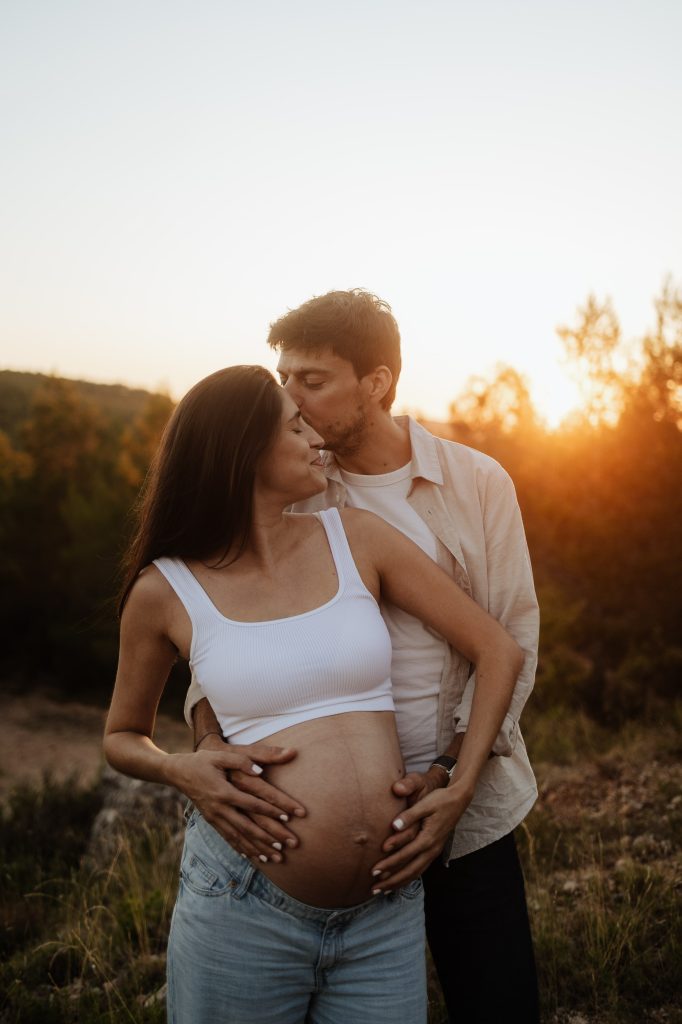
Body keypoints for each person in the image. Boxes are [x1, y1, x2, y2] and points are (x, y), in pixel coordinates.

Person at [104, 364, 524, 1024]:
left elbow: (497, 647)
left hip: (385, 914)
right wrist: (183, 771)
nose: (315, 440)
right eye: (295, 426)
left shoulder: (355, 536)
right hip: (244, 906)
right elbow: (121, 736)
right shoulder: (163, 592)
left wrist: (458, 782)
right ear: (244, 452)